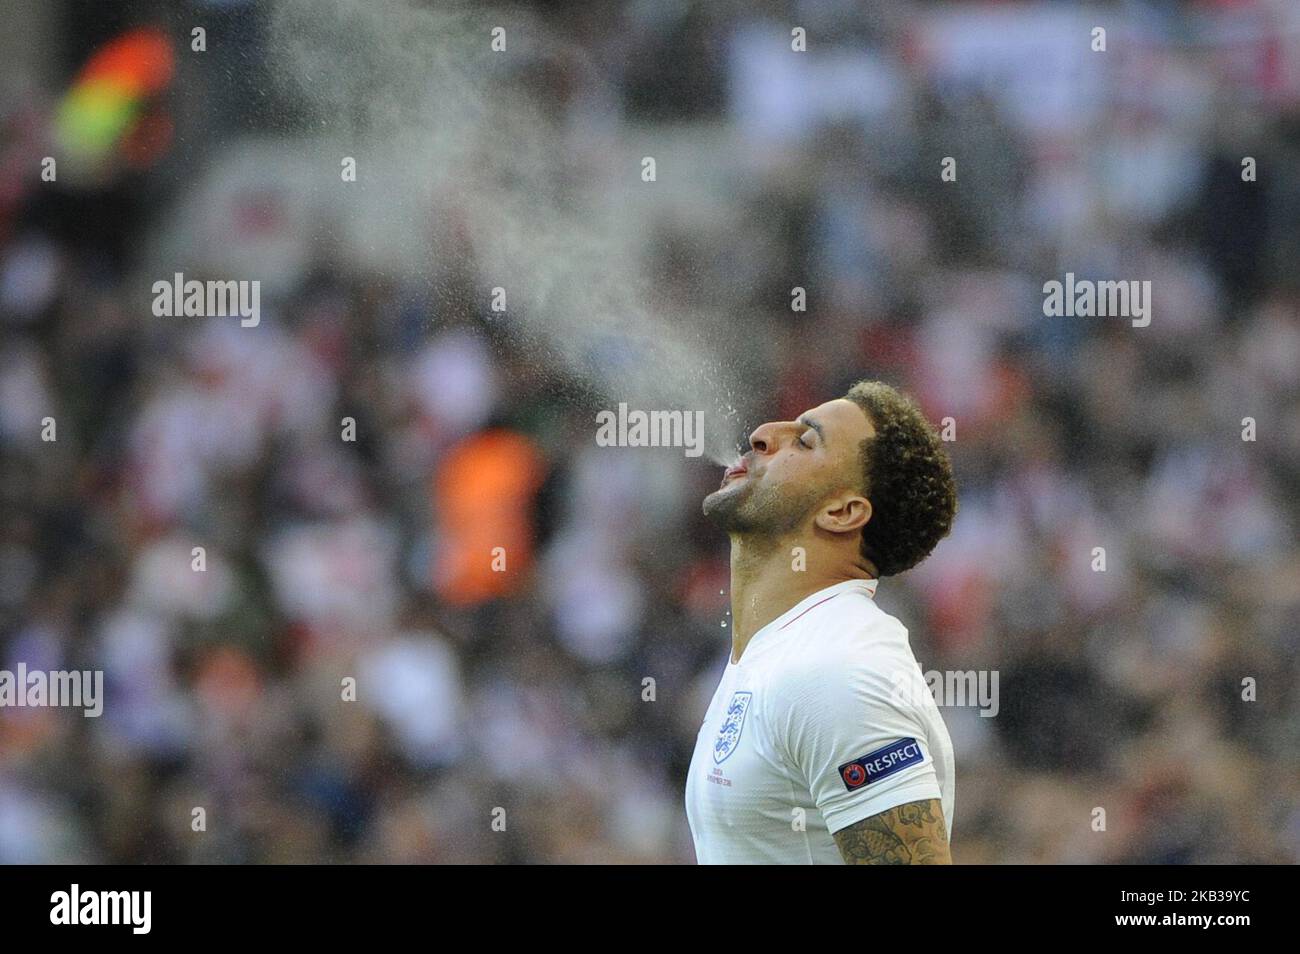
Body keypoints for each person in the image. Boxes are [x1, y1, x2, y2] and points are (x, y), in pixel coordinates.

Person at [685, 380, 958, 864]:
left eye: (805, 440)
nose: (763, 434)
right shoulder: (783, 651)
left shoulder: (839, 667)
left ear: (842, 512)